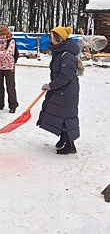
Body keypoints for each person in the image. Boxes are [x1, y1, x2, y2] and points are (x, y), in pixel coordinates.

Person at [37, 26, 80, 155]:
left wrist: (50, 85)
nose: (52, 40)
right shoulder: (59, 52)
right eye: (51, 37)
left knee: (65, 117)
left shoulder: (67, 55)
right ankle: (63, 138)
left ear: (61, 38)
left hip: (67, 91)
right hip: (60, 89)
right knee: (56, 113)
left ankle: (70, 146)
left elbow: (65, 77)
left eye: (54, 37)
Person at [0, 25, 18, 113]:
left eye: (3, 35)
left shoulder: (11, 41)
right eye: (0, 35)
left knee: (10, 86)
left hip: (9, 66)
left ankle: (13, 105)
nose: (2, 37)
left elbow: (9, 53)